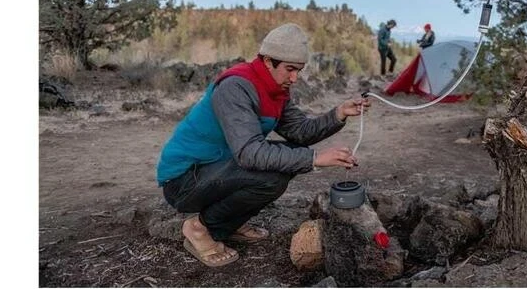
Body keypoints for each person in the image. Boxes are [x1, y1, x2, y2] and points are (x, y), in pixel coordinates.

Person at [156, 23, 370, 268]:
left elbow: (300, 132)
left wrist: (339, 113)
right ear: (268, 61)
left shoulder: (275, 89)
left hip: (217, 168)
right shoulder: (235, 86)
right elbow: (249, 153)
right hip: (184, 180)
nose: (294, 78)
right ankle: (199, 228)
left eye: (299, 70)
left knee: (287, 158)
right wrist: (314, 158)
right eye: (290, 69)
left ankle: (229, 223)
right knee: (272, 177)